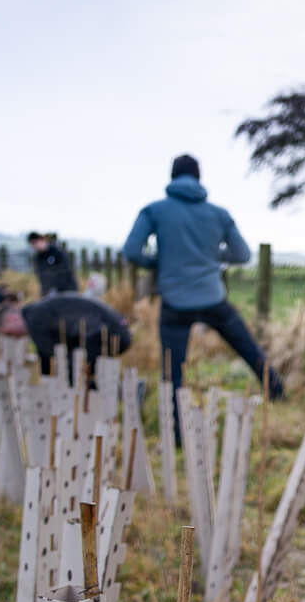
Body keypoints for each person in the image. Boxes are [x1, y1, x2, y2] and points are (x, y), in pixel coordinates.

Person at [119, 154, 282, 430]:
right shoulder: (219, 214)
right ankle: (277, 391)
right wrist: (210, 256)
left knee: (173, 370)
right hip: (212, 298)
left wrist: (159, 260)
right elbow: (242, 255)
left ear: (172, 177)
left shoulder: (155, 211)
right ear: (199, 177)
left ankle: (176, 430)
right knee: (246, 346)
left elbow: (132, 251)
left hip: (174, 301)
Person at [0, 290, 131, 379]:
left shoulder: (34, 320)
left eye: (9, 334)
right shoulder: (37, 311)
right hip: (112, 330)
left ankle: (124, 393)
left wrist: (46, 389)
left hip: (108, 333)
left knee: (72, 374)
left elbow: (49, 359)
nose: (15, 338)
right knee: (77, 373)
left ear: (11, 319)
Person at [28, 231, 78, 295]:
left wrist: (57, 289)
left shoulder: (58, 252)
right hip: (49, 293)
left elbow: (65, 272)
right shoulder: (38, 258)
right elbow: (41, 277)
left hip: (66, 290)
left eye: (36, 242)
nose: (35, 246)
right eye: (33, 244)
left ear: (42, 239)